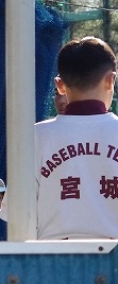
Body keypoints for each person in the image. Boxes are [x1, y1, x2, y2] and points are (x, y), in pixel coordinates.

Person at [35, 36, 118, 239]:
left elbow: (18, 214)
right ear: (111, 80)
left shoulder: (35, 136)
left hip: (53, 255)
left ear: (60, 85)